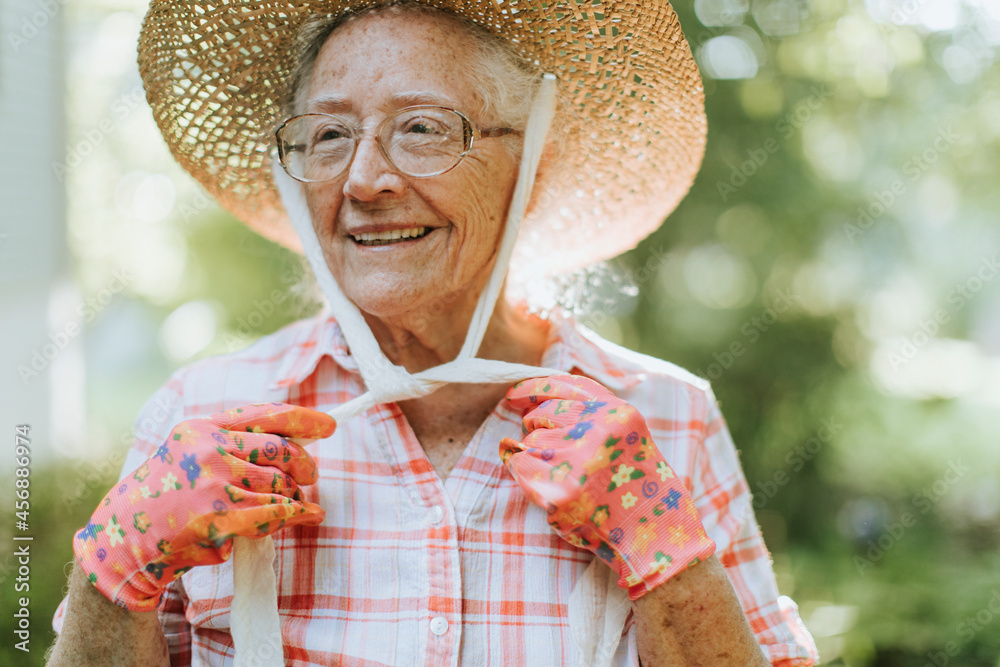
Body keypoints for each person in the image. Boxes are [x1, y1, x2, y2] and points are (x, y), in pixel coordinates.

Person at [48, 1, 820, 665]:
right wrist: (115, 570)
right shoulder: (202, 411)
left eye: (421, 128)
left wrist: (671, 563)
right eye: (326, 137)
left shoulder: (666, 415)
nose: (362, 180)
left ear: (532, 161)